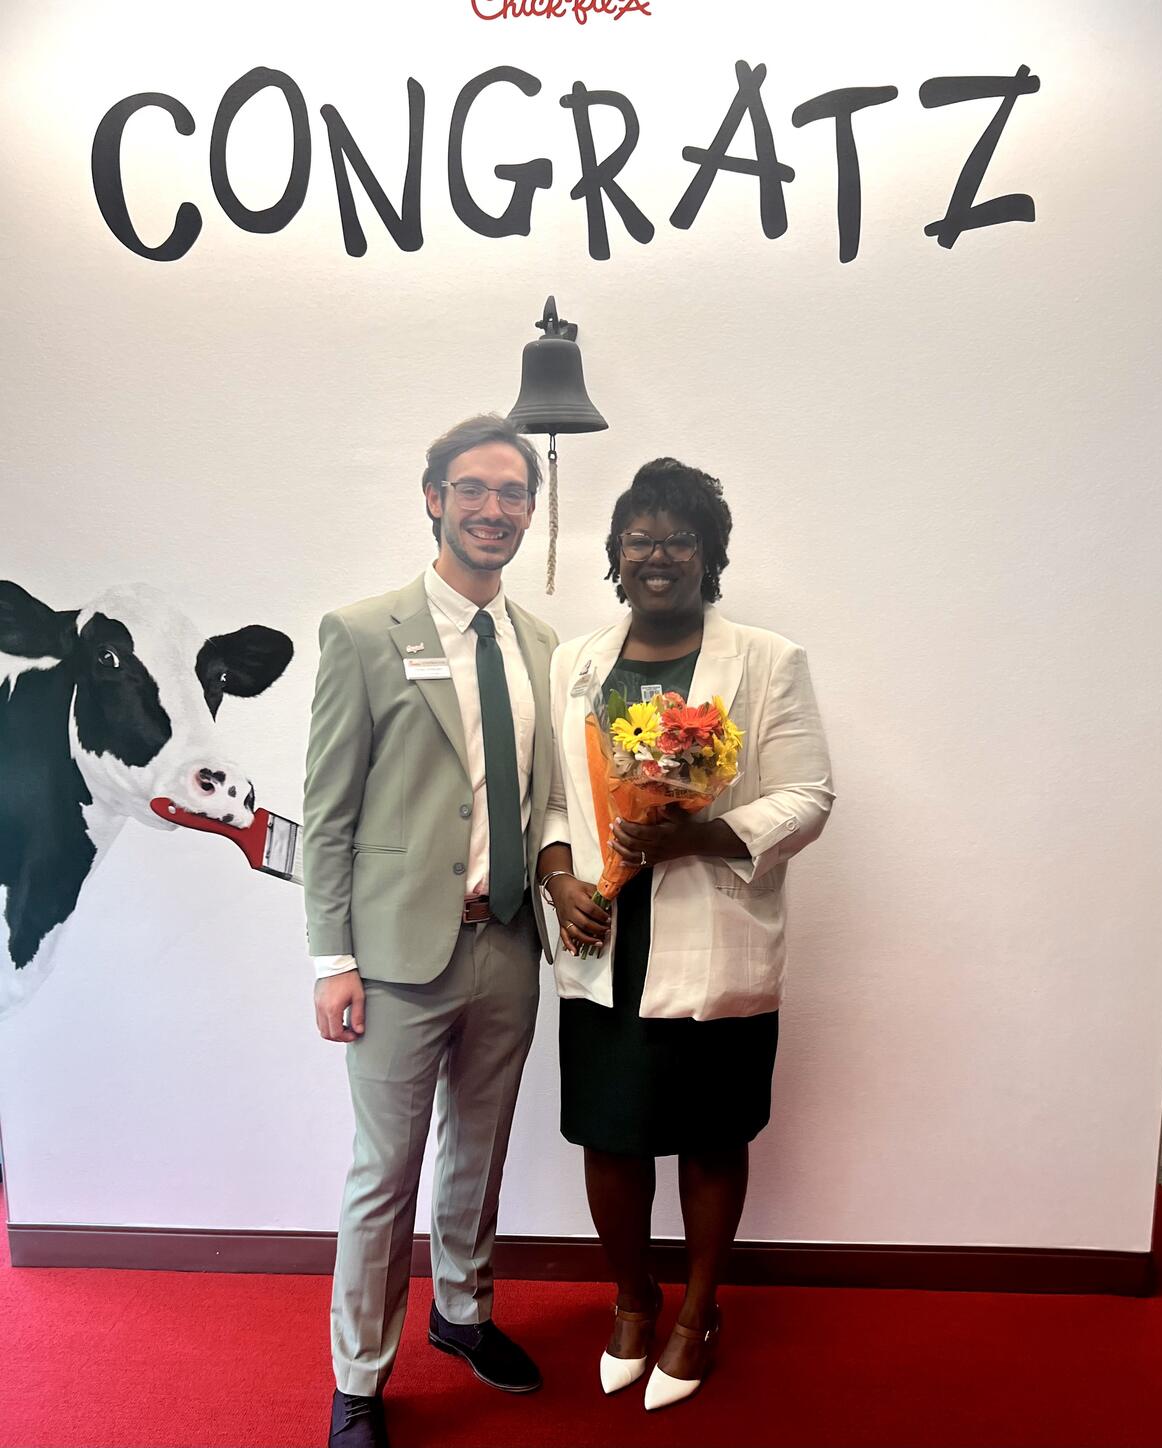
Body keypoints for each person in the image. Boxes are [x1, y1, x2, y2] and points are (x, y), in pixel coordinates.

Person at [536, 457, 834, 1411]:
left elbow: (808, 796)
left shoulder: (766, 659)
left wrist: (702, 833)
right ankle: (631, 1300)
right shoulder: (574, 661)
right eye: (640, 538)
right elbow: (551, 798)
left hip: (712, 937)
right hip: (601, 940)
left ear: (710, 557)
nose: (658, 555)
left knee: (709, 1138)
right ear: (615, 556)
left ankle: (699, 1310)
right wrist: (557, 879)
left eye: (680, 539)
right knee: (609, 1137)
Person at [304, 414, 559, 1448]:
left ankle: (464, 1311)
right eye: (474, 489)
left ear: (529, 511)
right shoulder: (364, 631)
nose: (493, 509)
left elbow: (539, 799)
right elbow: (329, 811)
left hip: (507, 944)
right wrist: (333, 958)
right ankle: (358, 1375)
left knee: (479, 1149)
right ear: (433, 497)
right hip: (400, 953)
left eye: (513, 493)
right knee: (385, 1170)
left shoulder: (543, 644)